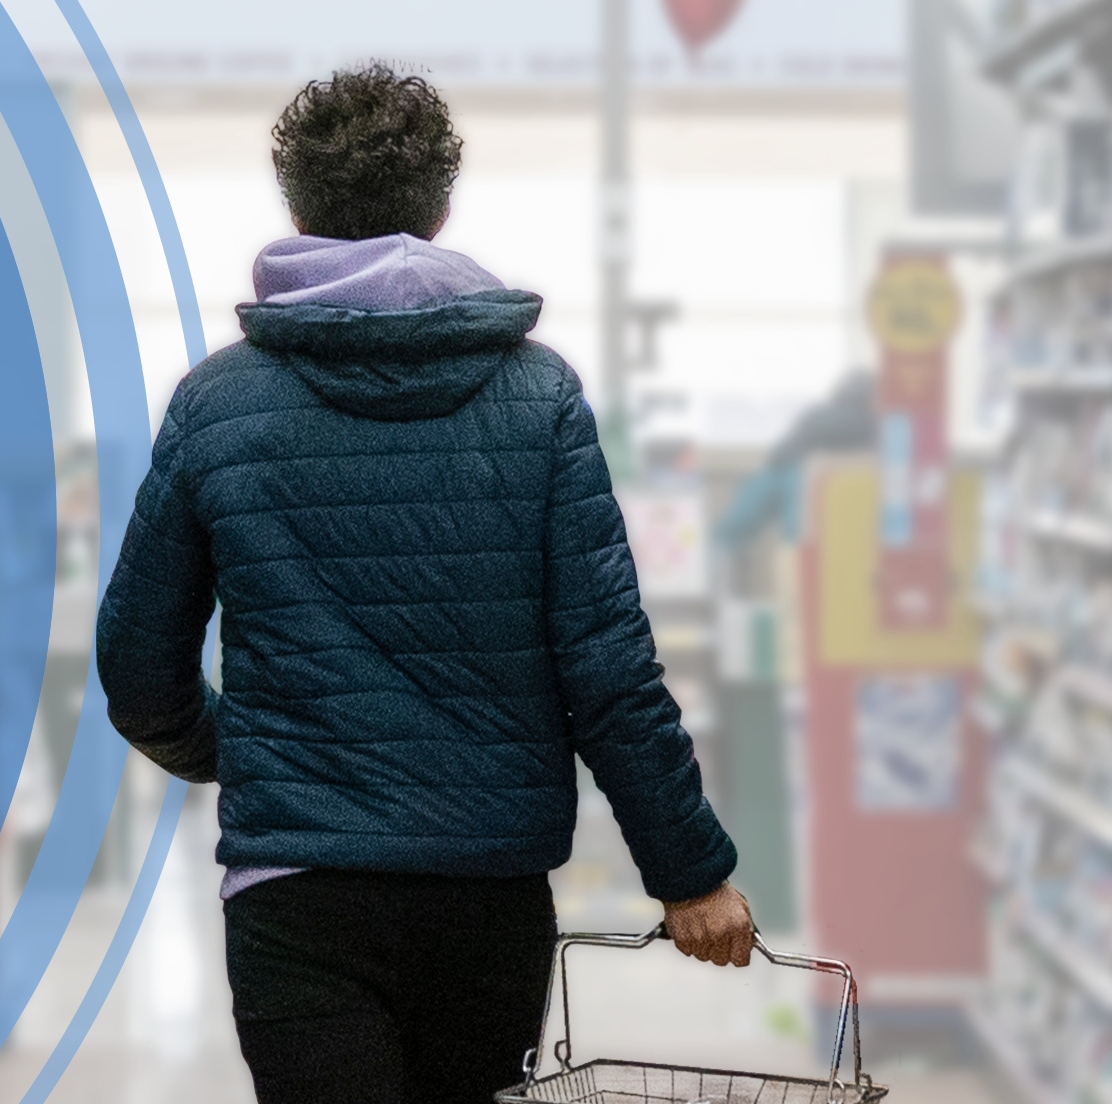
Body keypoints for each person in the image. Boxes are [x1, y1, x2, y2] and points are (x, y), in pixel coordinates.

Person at [94, 64, 754, 1104]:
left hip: (294, 894)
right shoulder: (539, 402)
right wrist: (690, 872)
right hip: (485, 892)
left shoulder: (217, 405)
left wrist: (248, 754)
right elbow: (608, 670)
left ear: (298, 206)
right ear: (440, 208)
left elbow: (137, 666)